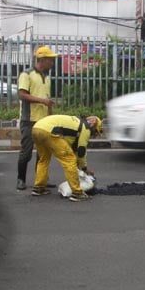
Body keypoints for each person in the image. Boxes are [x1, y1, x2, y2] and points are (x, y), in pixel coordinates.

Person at [31, 114, 101, 202]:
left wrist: (80, 166)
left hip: (37, 128)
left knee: (43, 159)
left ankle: (39, 188)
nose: (93, 135)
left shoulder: (77, 123)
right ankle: (77, 193)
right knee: (70, 160)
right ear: (94, 126)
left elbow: (73, 148)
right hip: (50, 131)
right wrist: (84, 168)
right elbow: (81, 151)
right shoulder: (86, 128)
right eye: (95, 132)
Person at [17, 46, 58, 190]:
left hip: (44, 121)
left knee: (43, 153)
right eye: (50, 60)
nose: (52, 63)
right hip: (29, 120)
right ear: (43, 60)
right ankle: (20, 179)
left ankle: (41, 180)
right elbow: (22, 95)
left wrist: (51, 116)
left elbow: (47, 99)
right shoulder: (26, 74)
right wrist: (42, 101)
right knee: (26, 152)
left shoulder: (47, 77)